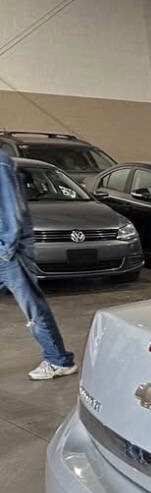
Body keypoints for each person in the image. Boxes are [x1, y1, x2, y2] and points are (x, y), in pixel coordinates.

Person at [0, 148, 76, 380]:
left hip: (9, 252)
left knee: (32, 306)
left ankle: (58, 360)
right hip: (6, 250)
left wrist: (4, 251)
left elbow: (11, 212)